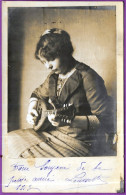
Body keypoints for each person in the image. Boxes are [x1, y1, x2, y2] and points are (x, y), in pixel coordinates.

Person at [8, 28, 116, 158]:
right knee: (8, 140)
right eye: (43, 62)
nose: (48, 66)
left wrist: (71, 121)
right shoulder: (53, 77)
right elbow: (37, 94)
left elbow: (105, 119)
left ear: (65, 52)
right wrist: (31, 109)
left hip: (81, 143)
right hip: (54, 133)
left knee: (29, 158)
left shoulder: (87, 76)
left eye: (51, 59)